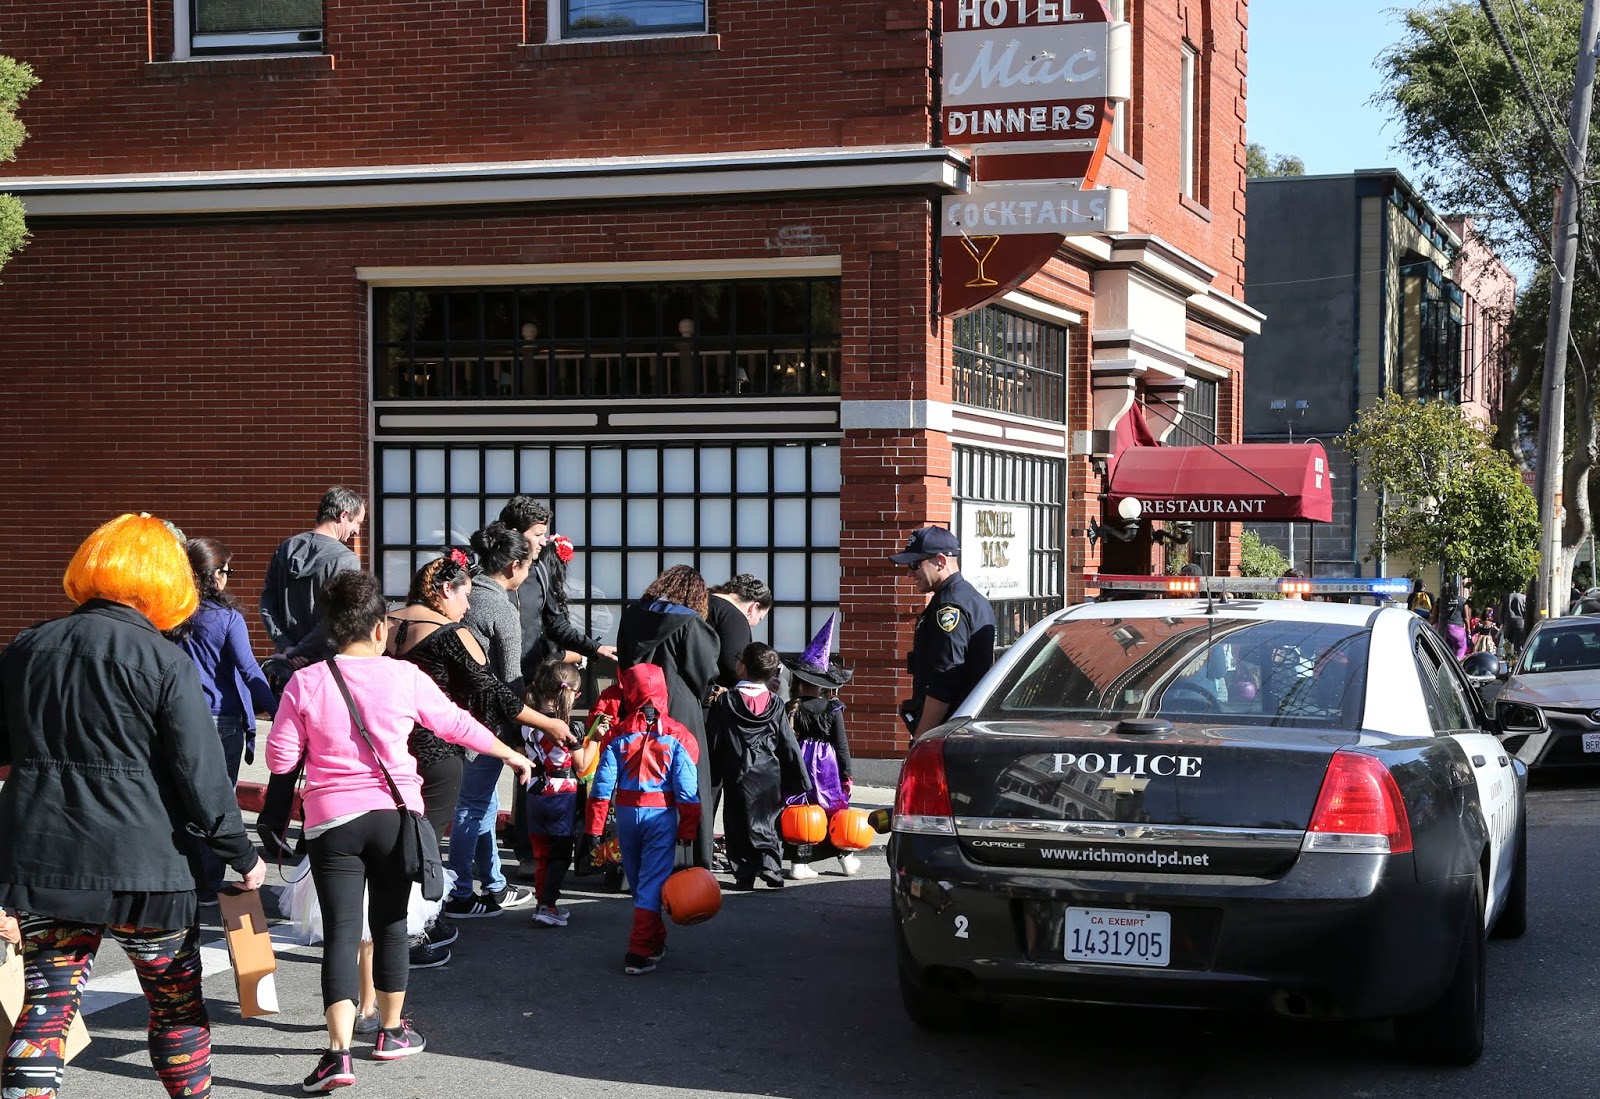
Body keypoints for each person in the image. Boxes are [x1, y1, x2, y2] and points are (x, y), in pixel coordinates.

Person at [0, 513, 267, 1099]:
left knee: (46, 1005)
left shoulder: (25, 648)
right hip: (148, 862)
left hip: (46, 862)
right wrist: (239, 851)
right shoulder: (165, 660)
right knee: (175, 1003)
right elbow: (200, 775)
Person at [267, 570, 535, 1091]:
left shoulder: (307, 681)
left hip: (333, 823)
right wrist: (508, 752)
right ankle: (390, 1032)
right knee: (390, 924)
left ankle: (337, 1055)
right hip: (396, 816)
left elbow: (279, 759)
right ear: (377, 627)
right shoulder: (404, 677)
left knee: (343, 934)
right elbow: (454, 723)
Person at [387, 552, 567, 938]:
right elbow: (494, 692)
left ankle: (390, 919)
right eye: (463, 595)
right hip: (435, 748)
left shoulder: (388, 624)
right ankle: (415, 928)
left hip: (390, 746)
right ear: (444, 590)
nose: (467, 607)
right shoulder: (451, 635)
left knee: (396, 837)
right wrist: (547, 723)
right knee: (427, 841)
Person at [255, 486, 366, 861]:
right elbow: (336, 620)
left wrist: (284, 645)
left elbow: (267, 600)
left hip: (288, 663)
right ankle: (310, 833)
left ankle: (272, 819)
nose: (356, 532)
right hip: (324, 666)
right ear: (342, 516)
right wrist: (302, 650)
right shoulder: (345, 561)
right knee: (323, 751)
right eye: (356, 523)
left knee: (289, 744)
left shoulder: (286, 548)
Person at [169, 536, 279, 904]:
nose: (229, 577)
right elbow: (249, 670)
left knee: (184, 799)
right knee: (217, 802)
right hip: (223, 720)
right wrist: (280, 711)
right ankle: (209, 881)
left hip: (181, 717)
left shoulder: (169, 616)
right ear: (212, 574)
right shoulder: (227, 618)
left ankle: (188, 876)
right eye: (226, 571)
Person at [584, 663, 702, 976]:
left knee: (639, 880)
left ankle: (654, 939)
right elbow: (688, 790)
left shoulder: (617, 735)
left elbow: (601, 788)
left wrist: (594, 829)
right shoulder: (679, 735)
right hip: (661, 816)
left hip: (625, 815)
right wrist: (688, 829)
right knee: (650, 882)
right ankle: (639, 950)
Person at [455, 522, 541, 915]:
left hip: (452, 714)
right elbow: (512, 682)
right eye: (527, 566)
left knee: (482, 804)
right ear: (513, 567)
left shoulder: (464, 593)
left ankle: (492, 883)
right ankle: (458, 892)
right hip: (484, 721)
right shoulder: (501, 610)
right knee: (472, 807)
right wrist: (520, 735)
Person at [615, 564, 722, 868]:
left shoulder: (633, 614)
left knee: (639, 776)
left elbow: (625, 659)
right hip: (680, 708)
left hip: (638, 703)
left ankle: (634, 863)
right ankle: (685, 859)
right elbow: (704, 672)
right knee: (685, 780)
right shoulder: (689, 622)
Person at [708, 642, 808, 889]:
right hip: (768, 771)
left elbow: (714, 739)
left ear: (742, 667)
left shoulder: (726, 701)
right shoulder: (774, 703)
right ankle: (771, 866)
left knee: (737, 820)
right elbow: (786, 740)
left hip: (736, 770)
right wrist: (800, 776)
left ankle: (744, 873)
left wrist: (711, 769)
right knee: (768, 818)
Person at [891, 526, 997, 738]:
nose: (910, 573)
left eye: (915, 564)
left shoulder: (949, 607)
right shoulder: (969, 598)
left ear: (940, 560)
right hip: (962, 728)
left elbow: (944, 681)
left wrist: (922, 739)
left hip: (950, 732)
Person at [497, 496, 617, 680]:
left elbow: (556, 625)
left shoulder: (540, 573)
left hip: (530, 681)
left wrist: (595, 648)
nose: (544, 542)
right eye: (537, 535)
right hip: (491, 682)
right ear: (514, 535)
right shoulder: (482, 577)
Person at [781, 614, 861, 879]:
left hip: (800, 763)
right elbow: (841, 744)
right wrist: (846, 772)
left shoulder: (790, 708)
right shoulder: (833, 708)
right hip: (826, 767)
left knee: (801, 812)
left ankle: (799, 863)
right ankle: (846, 858)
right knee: (833, 810)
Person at [522, 658, 600, 927]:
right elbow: (580, 765)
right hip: (561, 795)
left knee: (541, 852)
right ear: (574, 694)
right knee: (559, 853)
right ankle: (548, 904)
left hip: (533, 792)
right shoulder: (570, 728)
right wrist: (596, 739)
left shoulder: (527, 722)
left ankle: (541, 902)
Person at [705, 574, 774, 691]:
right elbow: (734, 666)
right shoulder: (734, 618)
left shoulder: (701, 602)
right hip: (713, 695)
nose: (755, 624)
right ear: (754, 607)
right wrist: (759, 682)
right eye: (759, 618)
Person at [1434, 580, 1472, 660]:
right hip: (1457, 629)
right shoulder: (1462, 601)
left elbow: (1434, 616)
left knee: (1444, 648)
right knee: (1461, 647)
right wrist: (1468, 630)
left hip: (1442, 628)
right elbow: (1466, 617)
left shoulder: (1440, 600)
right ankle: (1457, 662)